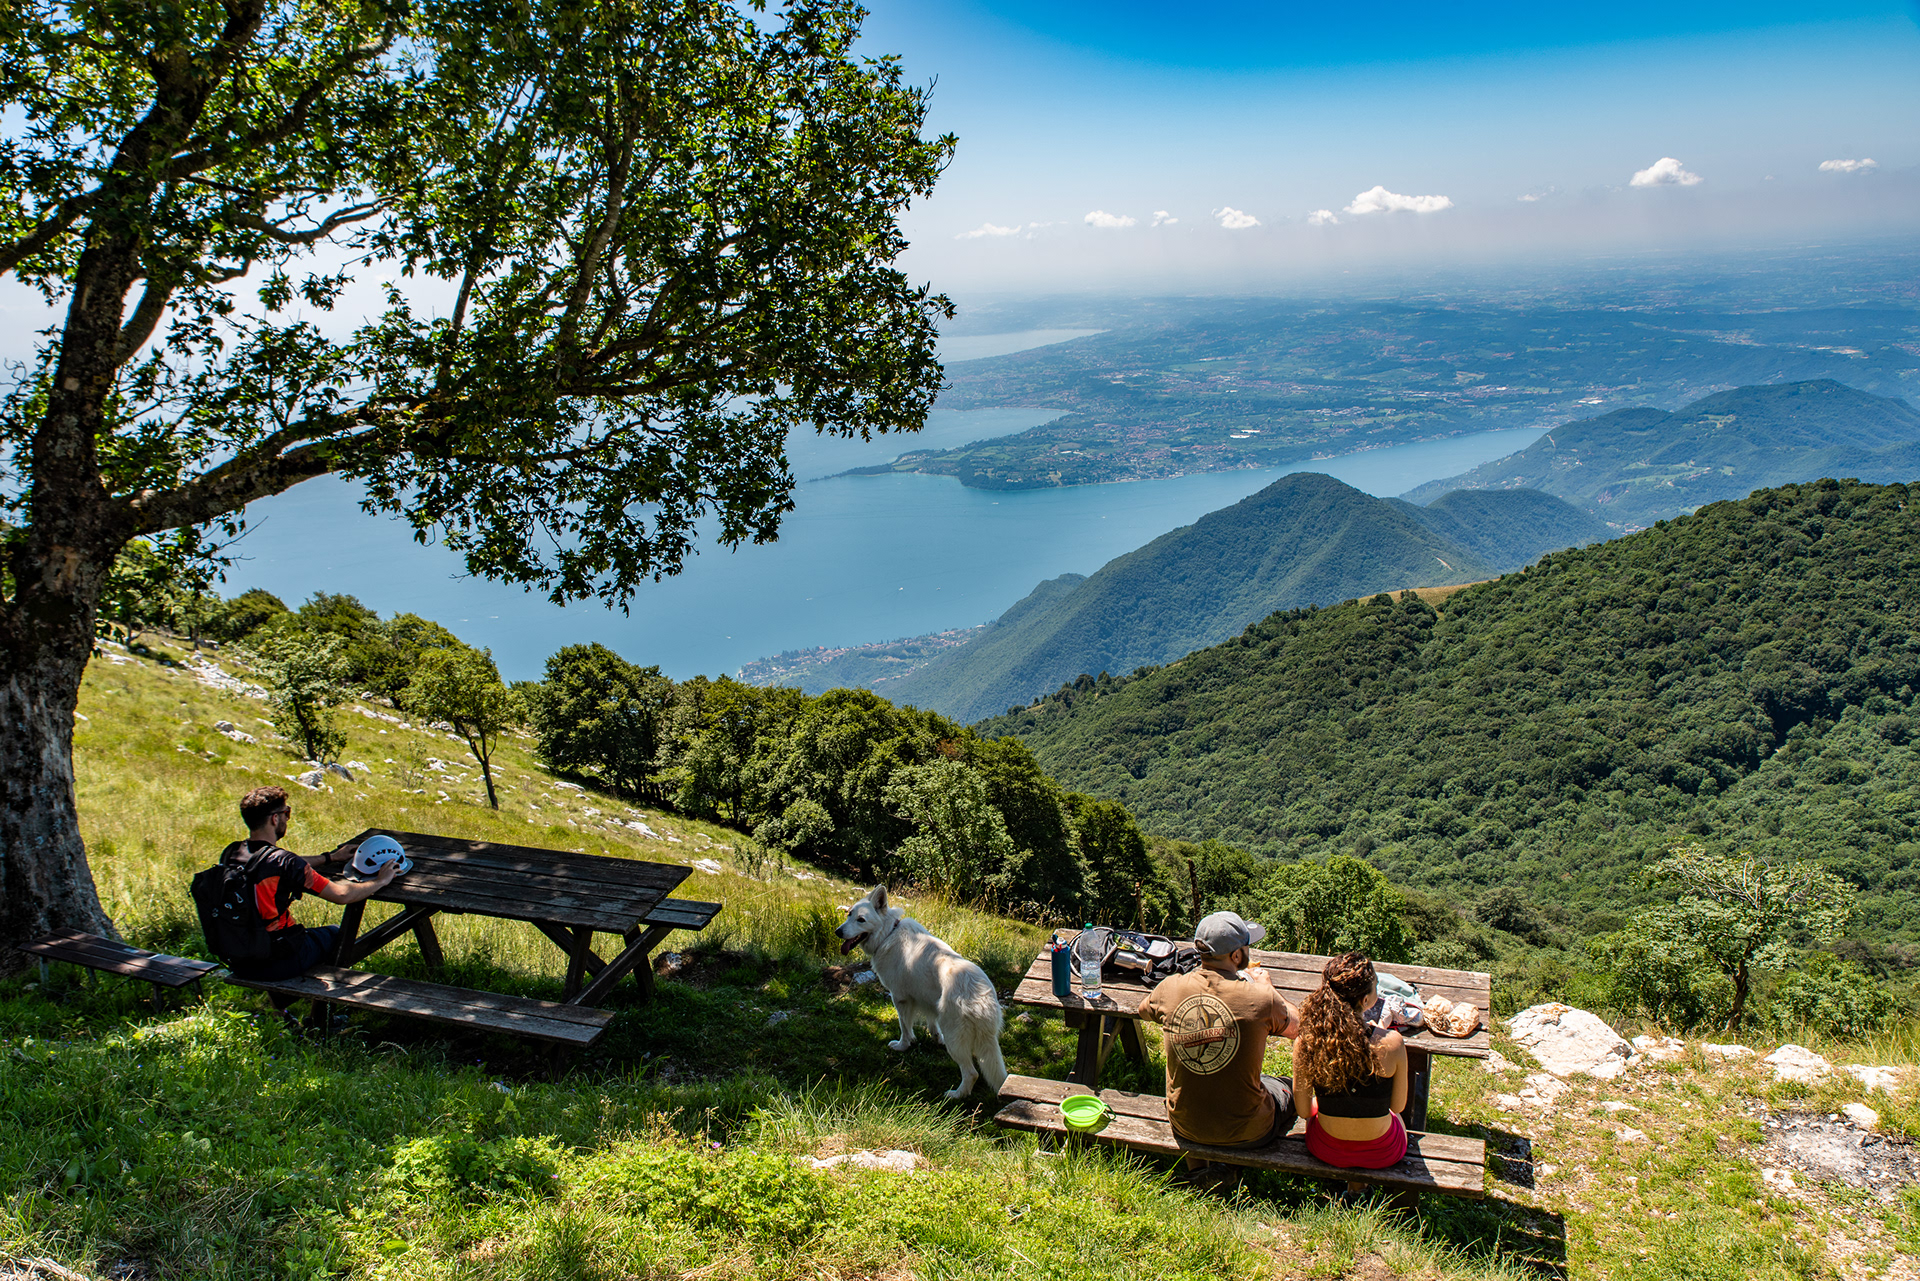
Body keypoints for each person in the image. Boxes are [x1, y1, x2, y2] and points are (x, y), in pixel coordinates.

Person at [1138, 911, 1300, 1155]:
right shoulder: (1261, 998)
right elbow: (1296, 1027)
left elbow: (1143, 1011)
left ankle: (1203, 1167)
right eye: (1246, 947)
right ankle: (1234, 1164)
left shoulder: (1170, 987)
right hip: (1251, 1132)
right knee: (1287, 1086)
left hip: (1185, 1125)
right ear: (1236, 956)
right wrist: (1267, 987)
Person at [217, 785, 397, 980]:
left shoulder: (231, 852)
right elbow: (342, 895)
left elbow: (278, 865)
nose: (287, 818)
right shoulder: (284, 862)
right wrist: (381, 881)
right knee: (337, 934)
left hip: (239, 958)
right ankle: (326, 1006)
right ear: (274, 818)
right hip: (277, 958)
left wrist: (329, 857)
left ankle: (281, 1010)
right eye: (286, 812)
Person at [1294, 951, 1411, 1173]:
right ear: (1365, 1000)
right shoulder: (1393, 1043)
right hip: (1383, 1152)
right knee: (1397, 1120)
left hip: (1326, 1148)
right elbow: (1396, 1107)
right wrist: (1379, 1034)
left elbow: (1303, 1111)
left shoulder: (1306, 1042)